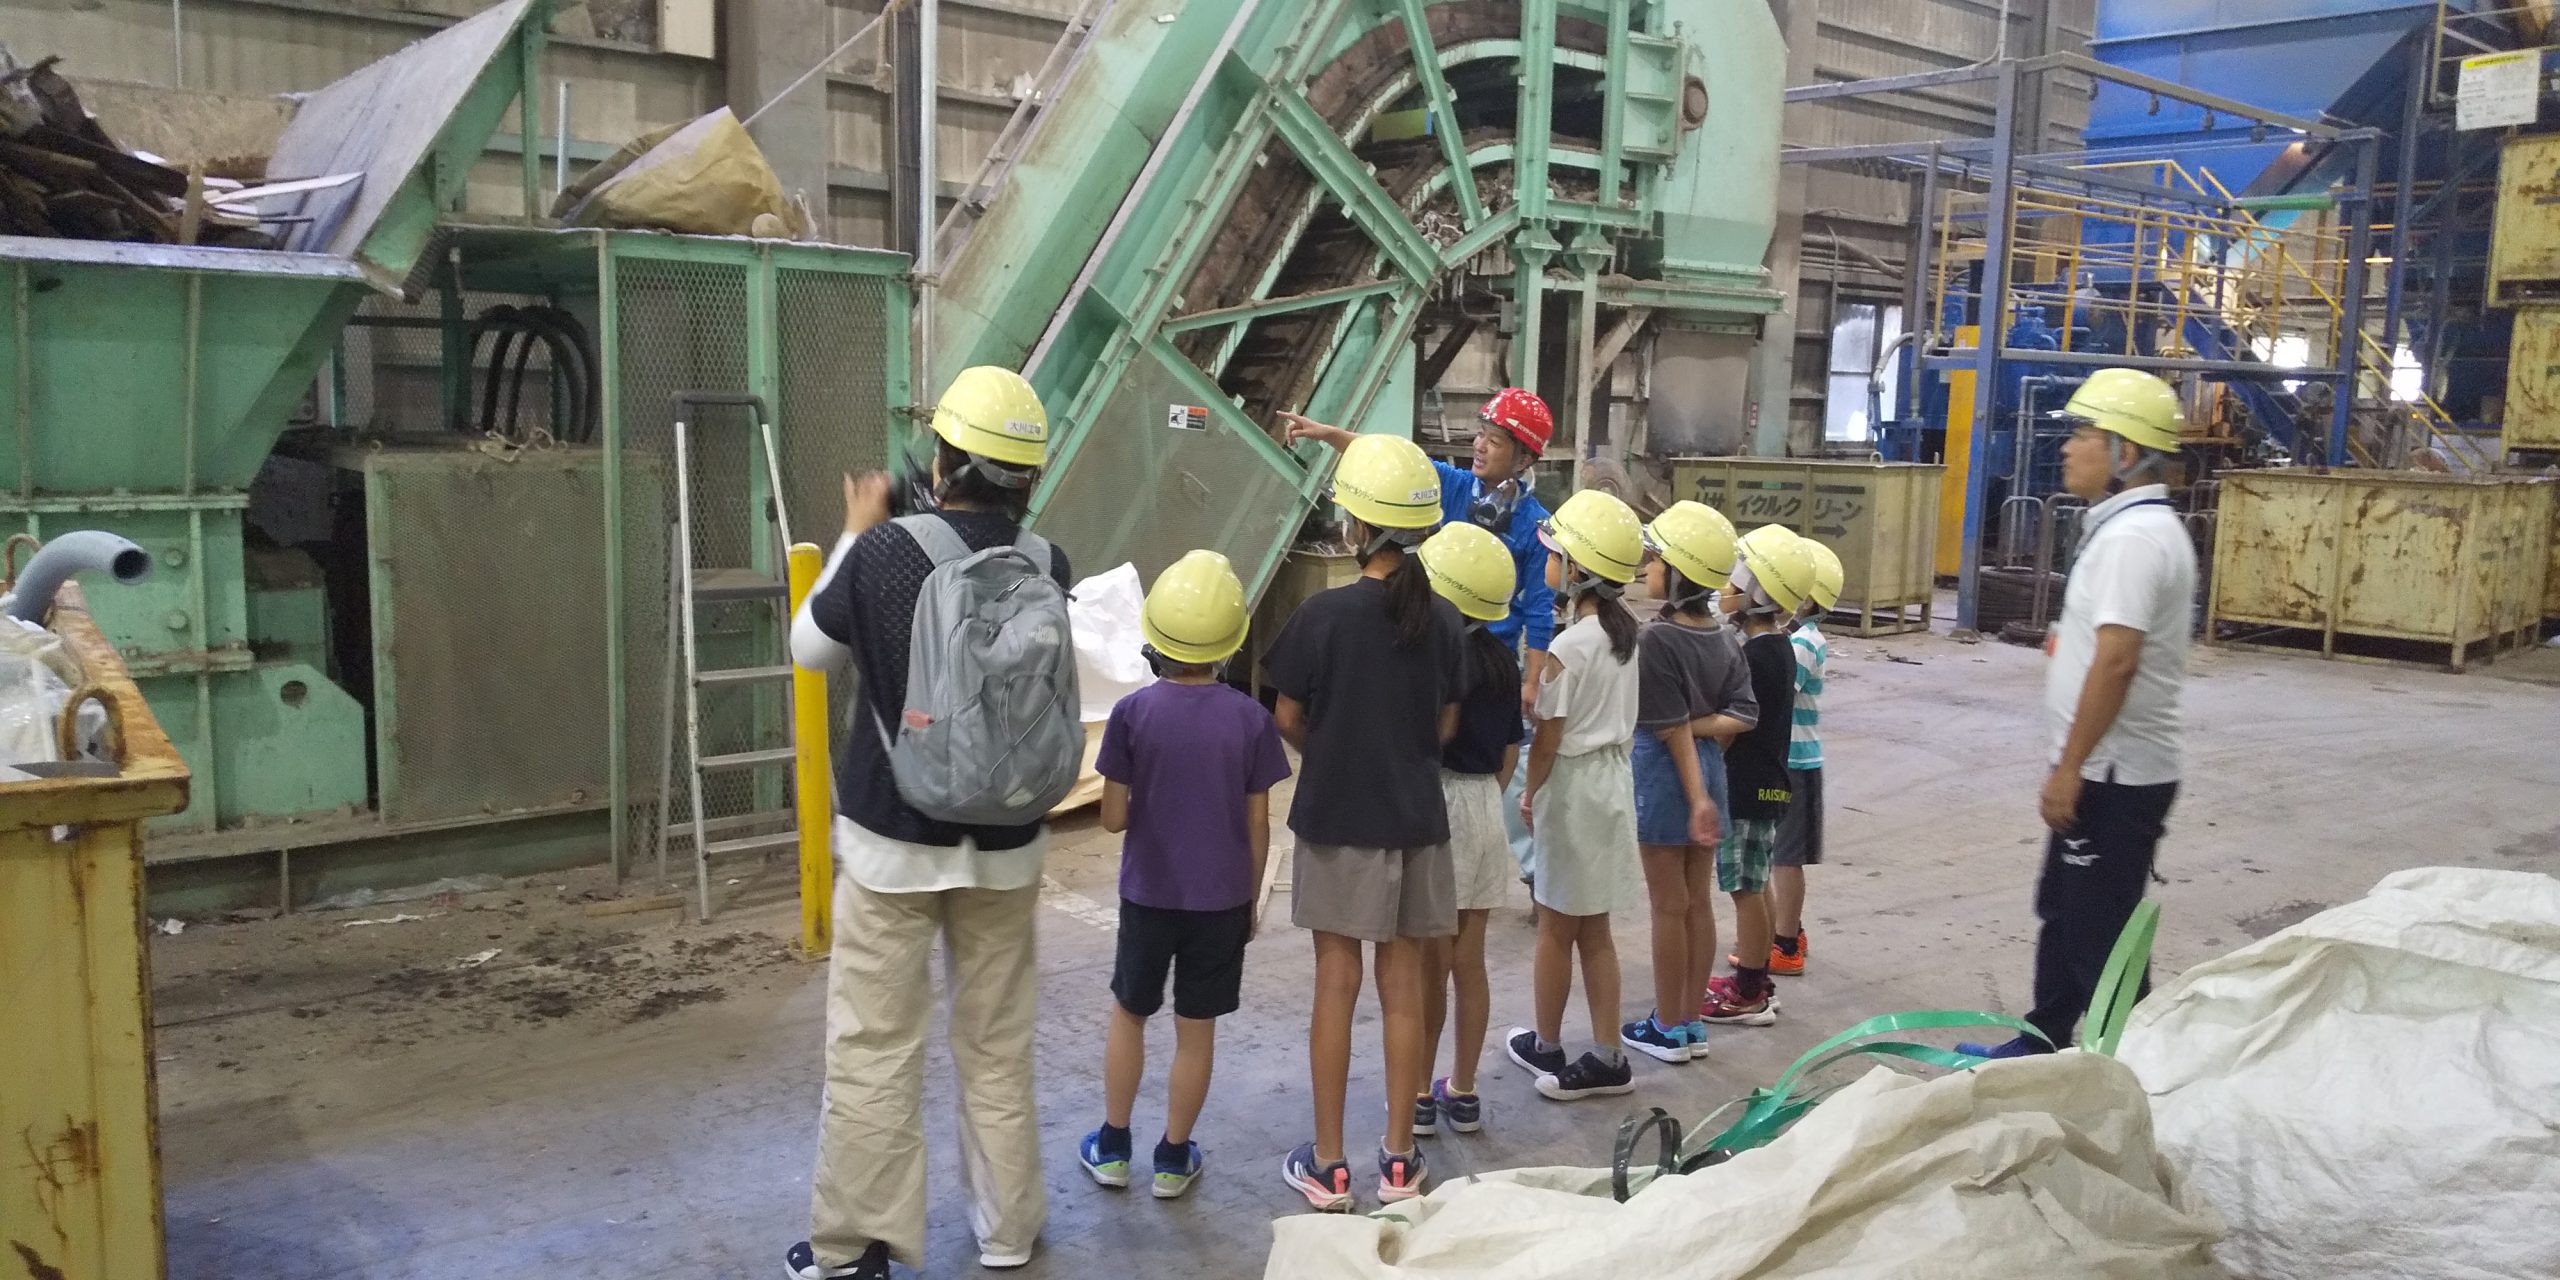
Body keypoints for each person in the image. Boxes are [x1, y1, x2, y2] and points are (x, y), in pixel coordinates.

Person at [785, 366, 1071, 1280]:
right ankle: (1008, 1230)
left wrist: (855, 528)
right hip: (1007, 847)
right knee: (997, 1044)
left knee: (875, 1043)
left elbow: (808, 648)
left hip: (891, 843)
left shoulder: (882, 552)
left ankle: (855, 1247)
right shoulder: (1048, 562)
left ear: (944, 459)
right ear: (1027, 475)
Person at [1961, 368, 2195, 1060]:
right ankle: (2041, 1045)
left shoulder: (2134, 540)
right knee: (2064, 913)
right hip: (2103, 768)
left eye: (2084, 434)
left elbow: (2116, 661)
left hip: (2112, 776)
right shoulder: (2129, 530)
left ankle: (2140, 1074)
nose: (2067, 448)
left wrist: (2071, 767)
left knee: (2100, 936)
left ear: (2126, 452)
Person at [1261, 433, 1465, 1211]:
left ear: (1360, 527)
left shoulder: (1323, 615)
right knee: (1404, 989)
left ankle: (1329, 1166)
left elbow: (1286, 714)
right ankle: (1400, 1162)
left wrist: (1335, 750)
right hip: (1417, 822)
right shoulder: (1444, 620)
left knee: (1336, 985)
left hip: (1338, 818)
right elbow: (1444, 725)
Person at [1076, 550, 1291, 1200]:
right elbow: (1259, 824)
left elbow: (1113, 819)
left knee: (1130, 1013)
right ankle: (1173, 1158)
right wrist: (1249, 901)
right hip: (1221, 902)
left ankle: (1113, 1147)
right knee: (1197, 1030)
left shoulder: (1132, 713)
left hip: (1149, 895)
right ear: (1229, 643)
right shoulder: (1250, 719)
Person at [1279, 390, 1555, 878]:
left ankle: (1523, 866)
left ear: (1524, 458)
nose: (1480, 446)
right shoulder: (1454, 485)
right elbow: (1397, 464)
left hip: (1488, 658)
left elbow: (1538, 609)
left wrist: (1531, 679)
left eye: (1494, 441)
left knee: (1485, 758)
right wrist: (1329, 435)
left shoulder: (1534, 527)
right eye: (1480, 435)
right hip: (1432, 641)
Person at [1503, 489, 1646, 1101]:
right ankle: (1609, 1052)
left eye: (1555, 553)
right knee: (1595, 930)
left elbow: (1547, 738)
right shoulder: (1624, 635)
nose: (1548, 561)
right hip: (1612, 782)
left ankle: (1548, 1043)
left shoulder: (1568, 647)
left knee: (1556, 927)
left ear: (1580, 568)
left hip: (1573, 787)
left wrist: (1529, 794)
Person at [1620, 502, 1758, 1065]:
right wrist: (1704, 755)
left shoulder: (1657, 639)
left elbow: (1670, 728)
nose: (1649, 568)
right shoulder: (1724, 638)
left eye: (1656, 561)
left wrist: (1694, 791)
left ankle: (1667, 1024)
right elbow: (1743, 715)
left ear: (1679, 575)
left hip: (1666, 776)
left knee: (1667, 905)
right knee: (1697, 900)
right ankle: (1692, 1022)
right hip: (1712, 770)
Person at [1408, 522, 1523, 1139]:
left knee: (1430, 964)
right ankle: (1465, 1090)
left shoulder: (1436, 658)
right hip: (1484, 805)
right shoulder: (1504, 662)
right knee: (1469, 961)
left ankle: (1418, 1094)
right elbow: (1510, 753)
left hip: (1441, 802)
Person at [1698, 524, 1815, 1027]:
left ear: (1760, 594)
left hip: (1744, 787)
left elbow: (1735, 723)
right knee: (1756, 883)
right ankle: (1758, 977)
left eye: (1735, 581)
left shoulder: (1754, 655)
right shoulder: (1779, 648)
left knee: (1743, 889)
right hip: (1767, 784)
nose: (1725, 589)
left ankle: (1747, 992)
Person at [1765, 538, 1842, 977]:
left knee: (1785, 857)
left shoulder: (1804, 643)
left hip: (1797, 764)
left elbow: (1776, 691)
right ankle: (1788, 928)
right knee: (1779, 853)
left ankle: (1786, 944)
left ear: (1807, 598)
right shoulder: (1795, 638)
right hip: (1787, 761)